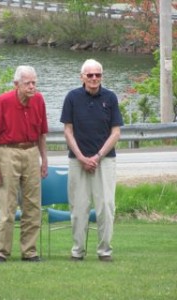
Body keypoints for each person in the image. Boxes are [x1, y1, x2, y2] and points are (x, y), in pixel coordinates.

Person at [60, 59, 123, 262]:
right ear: (82, 77)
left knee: (106, 206)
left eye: (98, 75)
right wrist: (81, 157)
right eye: (90, 75)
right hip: (77, 161)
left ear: (102, 76)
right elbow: (67, 131)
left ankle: (104, 251)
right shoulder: (72, 97)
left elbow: (116, 132)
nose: (94, 78)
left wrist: (96, 157)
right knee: (78, 208)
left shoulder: (110, 98)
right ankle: (77, 251)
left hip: (104, 161)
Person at [0, 65, 48, 263]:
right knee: (7, 205)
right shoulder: (2, 101)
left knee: (33, 206)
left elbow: (42, 134)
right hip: (7, 152)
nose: (32, 87)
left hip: (31, 152)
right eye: (28, 83)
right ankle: (1, 252)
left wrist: (44, 159)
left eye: (34, 83)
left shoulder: (38, 100)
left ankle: (29, 252)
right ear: (17, 84)